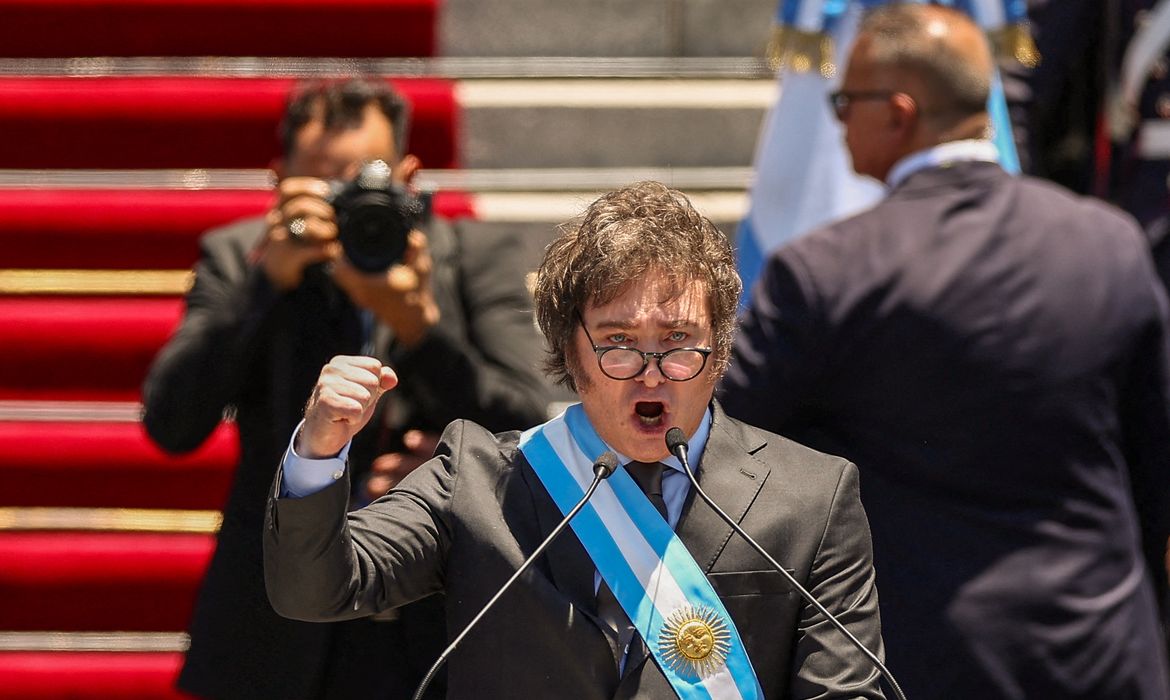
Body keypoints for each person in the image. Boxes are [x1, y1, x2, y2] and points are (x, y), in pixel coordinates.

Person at [262, 181, 887, 699]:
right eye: (617, 342)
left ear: (720, 351)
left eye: (678, 342)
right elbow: (315, 588)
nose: (650, 371)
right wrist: (319, 451)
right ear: (570, 351)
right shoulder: (479, 478)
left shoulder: (812, 496)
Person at [720, 5, 1170, 699]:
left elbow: (732, 461)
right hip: (1101, 648)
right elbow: (1153, 467)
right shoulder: (1109, 247)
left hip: (921, 658)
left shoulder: (827, 274)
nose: (836, 120)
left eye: (846, 101)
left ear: (898, 114)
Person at [142, 78, 550, 699]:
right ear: (278, 181)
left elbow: (528, 417)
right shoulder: (239, 256)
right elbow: (172, 424)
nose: (348, 203)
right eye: (324, 183)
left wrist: (419, 328)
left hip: (437, 609)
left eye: (367, 179)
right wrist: (264, 286)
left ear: (410, 177)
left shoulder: (474, 257)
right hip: (273, 619)